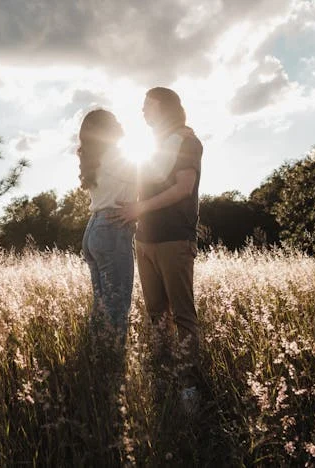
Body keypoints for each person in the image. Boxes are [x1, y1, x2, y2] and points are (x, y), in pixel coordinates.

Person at [109, 87, 204, 412]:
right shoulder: (153, 147)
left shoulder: (187, 141)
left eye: (147, 106)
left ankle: (189, 387)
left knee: (182, 315)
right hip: (144, 240)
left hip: (175, 238)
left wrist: (140, 208)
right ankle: (163, 381)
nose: (143, 112)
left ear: (164, 109)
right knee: (155, 316)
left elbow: (183, 188)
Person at [78, 109, 137, 347]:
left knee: (101, 303)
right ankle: (113, 359)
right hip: (112, 228)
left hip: (94, 228)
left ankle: (97, 353)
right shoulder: (116, 156)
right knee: (117, 304)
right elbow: (150, 175)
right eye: (115, 120)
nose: (120, 122)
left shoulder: (95, 158)